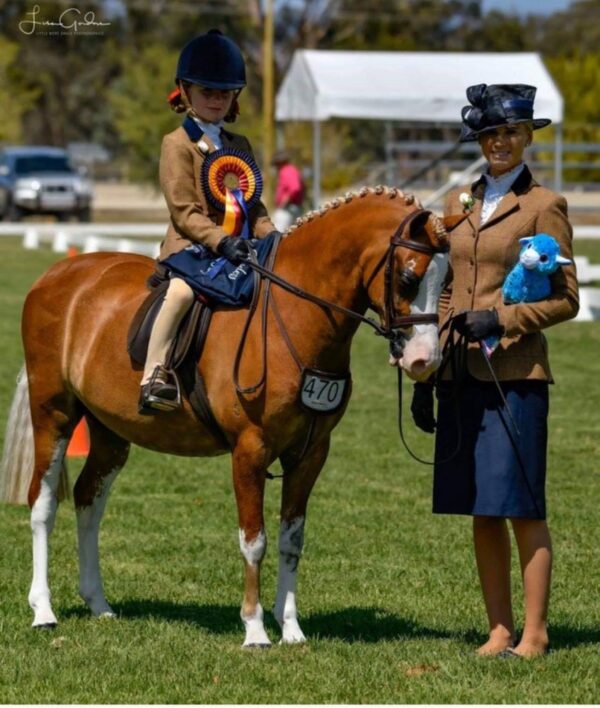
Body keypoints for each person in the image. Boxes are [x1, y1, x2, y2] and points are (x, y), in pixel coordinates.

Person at [411, 84, 579, 657]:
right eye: (489, 133)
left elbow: (565, 299)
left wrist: (502, 319)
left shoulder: (544, 206)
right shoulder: (458, 204)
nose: (499, 142)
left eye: (509, 132)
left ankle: (535, 632)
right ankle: (499, 629)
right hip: (460, 376)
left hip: (516, 375)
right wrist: (429, 371)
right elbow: (446, 289)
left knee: (521, 506)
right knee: (481, 506)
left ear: (528, 136)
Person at [139, 29, 277, 414]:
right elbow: (183, 210)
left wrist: (274, 236)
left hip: (239, 250)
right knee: (182, 293)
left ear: (235, 96)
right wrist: (221, 241)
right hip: (193, 249)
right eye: (207, 92)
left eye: (224, 93)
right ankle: (154, 375)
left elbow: (255, 205)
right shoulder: (176, 144)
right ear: (185, 91)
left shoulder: (240, 145)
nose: (216, 100)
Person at [272, 149, 305, 231]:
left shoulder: (286, 171)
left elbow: (295, 188)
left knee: (277, 236)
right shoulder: (292, 170)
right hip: (292, 207)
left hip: (288, 209)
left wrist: (284, 202)